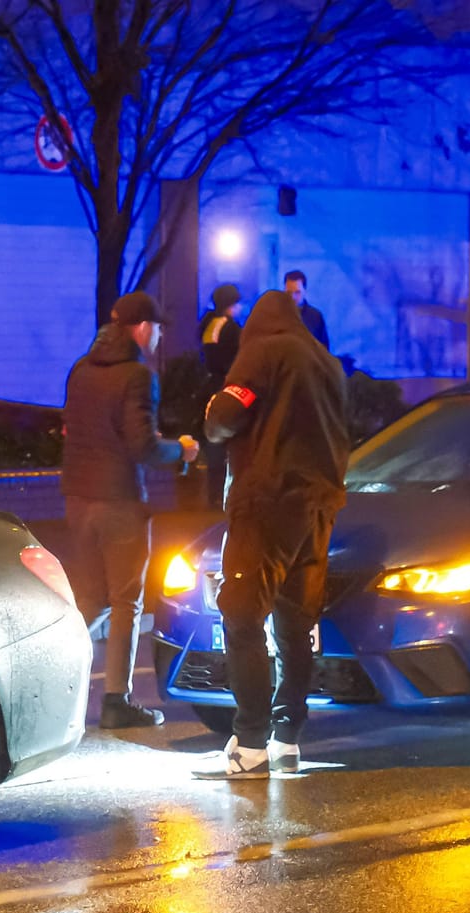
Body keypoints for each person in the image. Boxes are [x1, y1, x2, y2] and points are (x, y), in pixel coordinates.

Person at [193, 289, 350, 780]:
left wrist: (213, 412)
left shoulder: (265, 351)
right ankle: (287, 740)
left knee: (241, 615)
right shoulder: (328, 364)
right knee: (294, 625)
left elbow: (223, 418)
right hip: (318, 507)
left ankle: (250, 744)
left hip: (267, 503)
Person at [62, 290, 198, 729]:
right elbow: (142, 446)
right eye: (157, 328)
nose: (158, 336)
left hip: (78, 501)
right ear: (141, 328)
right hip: (119, 501)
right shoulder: (137, 376)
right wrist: (181, 450)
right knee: (126, 602)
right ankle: (117, 701)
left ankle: (49, 682)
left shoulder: (80, 369)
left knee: (88, 600)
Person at [197, 284, 244, 509]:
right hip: (227, 387)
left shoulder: (208, 324)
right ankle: (226, 497)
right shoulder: (231, 329)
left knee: (213, 442)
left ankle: (213, 496)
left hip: (209, 388)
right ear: (231, 305)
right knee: (229, 444)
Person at [284, 270, 330, 349]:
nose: (292, 297)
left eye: (297, 292)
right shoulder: (275, 315)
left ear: (305, 291)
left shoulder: (315, 317)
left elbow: (324, 350)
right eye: (289, 293)